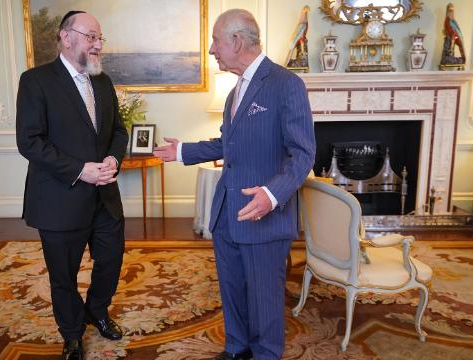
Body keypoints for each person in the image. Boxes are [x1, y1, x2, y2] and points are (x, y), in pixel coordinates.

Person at [154, 9, 315, 360]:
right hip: (227, 212)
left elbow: (303, 154)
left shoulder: (286, 84)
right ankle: (237, 348)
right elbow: (226, 144)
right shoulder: (234, 93)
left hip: (264, 216)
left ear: (237, 41)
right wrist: (182, 150)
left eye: (215, 40)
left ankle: (266, 354)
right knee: (231, 290)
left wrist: (272, 195)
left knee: (265, 299)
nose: (212, 49)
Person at [16, 10, 128, 360]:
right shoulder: (35, 81)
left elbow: (119, 132)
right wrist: (82, 170)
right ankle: (73, 334)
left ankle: (97, 310)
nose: (97, 44)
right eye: (91, 36)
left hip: (105, 198)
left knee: (110, 261)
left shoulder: (103, 82)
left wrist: (112, 159)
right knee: (63, 276)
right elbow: (30, 142)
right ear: (67, 37)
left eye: (99, 38)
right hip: (59, 199)